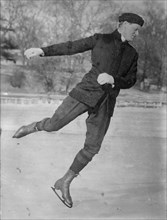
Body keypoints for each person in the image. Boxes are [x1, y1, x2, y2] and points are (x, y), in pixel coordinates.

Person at [13, 13, 144, 208]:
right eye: (135, 29)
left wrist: (114, 79)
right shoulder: (101, 39)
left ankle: (64, 181)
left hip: (105, 103)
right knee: (53, 126)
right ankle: (36, 126)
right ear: (123, 24)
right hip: (84, 93)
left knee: (93, 147)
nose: (137, 33)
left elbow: (131, 79)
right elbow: (71, 47)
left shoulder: (133, 54)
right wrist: (42, 51)